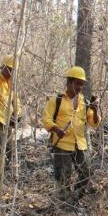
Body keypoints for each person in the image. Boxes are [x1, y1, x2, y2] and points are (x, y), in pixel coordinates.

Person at [42, 66, 100, 200]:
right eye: (77, 83)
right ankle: (64, 205)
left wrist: (95, 110)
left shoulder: (84, 103)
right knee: (63, 177)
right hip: (62, 145)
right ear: (69, 82)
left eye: (82, 84)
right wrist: (57, 130)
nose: (80, 87)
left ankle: (76, 199)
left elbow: (94, 123)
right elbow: (46, 120)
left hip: (80, 145)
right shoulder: (56, 100)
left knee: (86, 174)